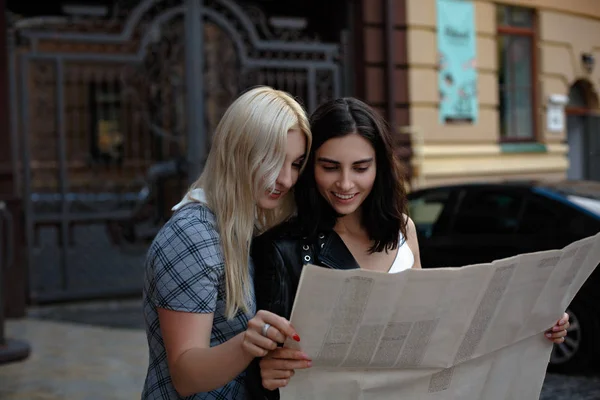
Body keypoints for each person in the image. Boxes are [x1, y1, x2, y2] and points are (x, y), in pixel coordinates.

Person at [249, 97, 571, 396]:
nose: (345, 184)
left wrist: (536, 322)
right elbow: (263, 364)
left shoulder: (403, 230)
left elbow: (435, 330)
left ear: (379, 168)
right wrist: (267, 367)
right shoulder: (282, 249)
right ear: (309, 168)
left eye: (360, 168)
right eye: (330, 167)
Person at [141, 86, 312, 399]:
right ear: (239, 153)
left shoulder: (250, 224)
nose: (286, 179)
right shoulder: (192, 235)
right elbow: (186, 374)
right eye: (274, 160)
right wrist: (248, 344)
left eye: (296, 164)